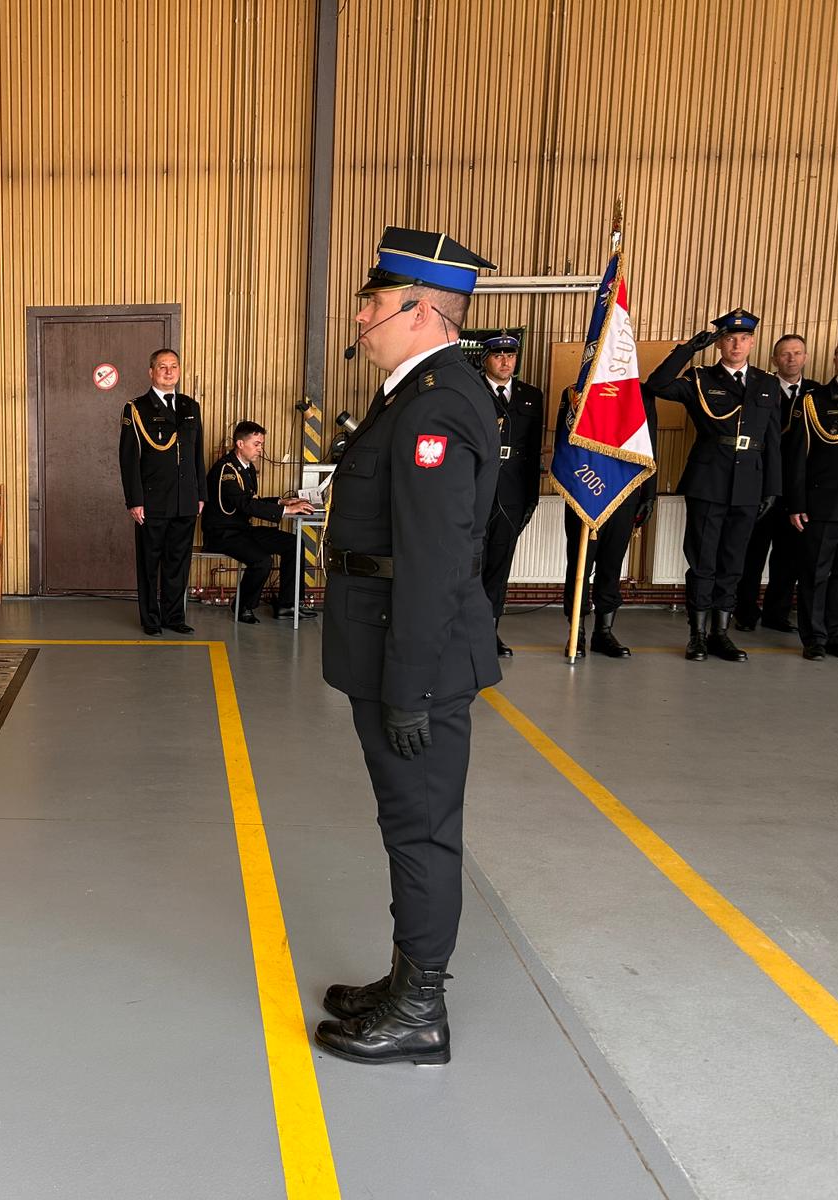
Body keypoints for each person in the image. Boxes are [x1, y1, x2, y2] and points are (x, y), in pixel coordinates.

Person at [314, 227, 500, 1067]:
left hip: (413, 658)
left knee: (421, 830)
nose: (361, 318)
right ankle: (404, 981)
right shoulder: (414, 394)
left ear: (422, 311)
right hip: (390, 646)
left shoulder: (437, 402)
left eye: (375, 304)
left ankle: (422, 1011)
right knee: (405, 823)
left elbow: (433, 559)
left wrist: (411, 687)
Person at [644, 309, 782, 661]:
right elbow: (657, 385)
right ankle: (698, 635)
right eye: (730, 338)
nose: (736, 344)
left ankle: (722, 633)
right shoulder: (700, 378)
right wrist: (687, 350)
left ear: (752, 342)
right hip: (709, 481)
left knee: (733, 561)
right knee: (703, 560)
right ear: (719, 343)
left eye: (743, 338)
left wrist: (772, 488)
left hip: (749, 482)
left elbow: (772, 440)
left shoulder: (767, 384)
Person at [558, 384, 659, 658]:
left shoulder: (640, 394)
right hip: (584, 489)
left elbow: (649, 445)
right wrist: (572, 486)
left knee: (611, 565)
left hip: (624, 492)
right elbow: (564, 444)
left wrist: (649, 494)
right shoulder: (576, 391)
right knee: (580, 564)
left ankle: (603, 632)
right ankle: (576, 631)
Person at [784, 335, 838, 661]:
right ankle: (814, 638)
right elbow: (797, 457)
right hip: (824, 504)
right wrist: (796, 503)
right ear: (834, 360)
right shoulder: (814, 401)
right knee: (815, 573)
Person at [735, 333, 818, 632]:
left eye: (797, 353)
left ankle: (776, 614)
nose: (791, 358)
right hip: (761, 483)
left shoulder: (816, 394)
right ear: (774, 359)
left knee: (789, 556)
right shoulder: (759, 387)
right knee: (752, 553)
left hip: (799, 489)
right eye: (785, 353)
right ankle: (745, 612)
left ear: (805, 357)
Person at [119, 349, 205, 635]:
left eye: (174, 366)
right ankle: (151, 620)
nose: (169, 372)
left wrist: (201, 494)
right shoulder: (137, 408)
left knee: (178, 563)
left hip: (185, 500)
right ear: (151, 372)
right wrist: (134, 500)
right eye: (162, 367)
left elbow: (197, 454)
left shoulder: (190, 406)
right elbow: (128, 459)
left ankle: (174, 617)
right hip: (152, 500)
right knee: (149, 563)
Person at [201, 421, 315, 622]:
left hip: (242, 531)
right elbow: (244, 504)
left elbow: (252, 500)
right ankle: (243, 606)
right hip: (222, 534)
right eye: (256, 444)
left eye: (261, 444)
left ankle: (288, 605)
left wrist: (281, 501)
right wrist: (286, 510)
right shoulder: (226, 470)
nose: (260, 449)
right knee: (262, 561)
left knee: (294, 544)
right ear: (240, 444)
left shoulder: (248, 468)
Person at [476, 334, 545, 657]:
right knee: (471, 563)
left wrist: (532, 497)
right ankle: (464, 629)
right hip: (476, 487)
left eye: (511, 355)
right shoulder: (471, 390)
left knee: (500, 564)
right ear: (485, 359)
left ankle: (489, 632)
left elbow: (533, 450)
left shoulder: (531, 396)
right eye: (498, 355)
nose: (505, 361)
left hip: (512, 490)